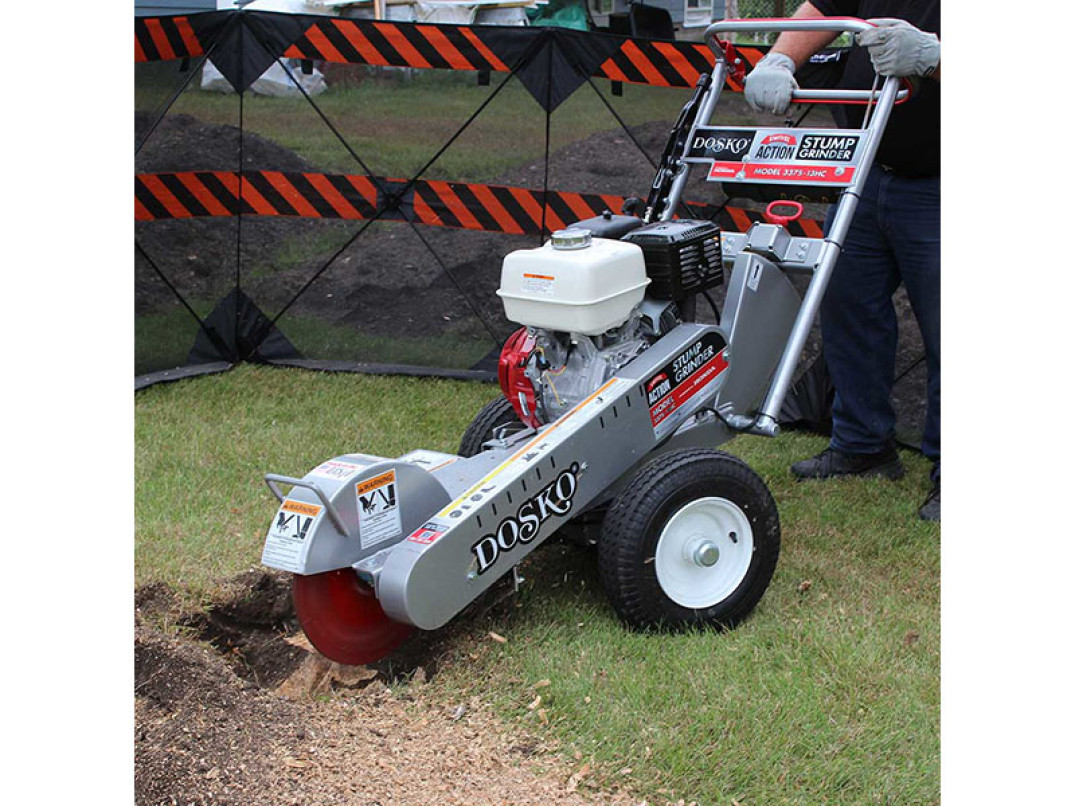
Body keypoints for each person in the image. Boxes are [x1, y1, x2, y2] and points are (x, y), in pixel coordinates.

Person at [742, 1, 941, 521]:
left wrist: (936, 58)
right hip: (869, 171)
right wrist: (779, 59)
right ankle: (861, 444)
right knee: (848, 305)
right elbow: (822, 9)